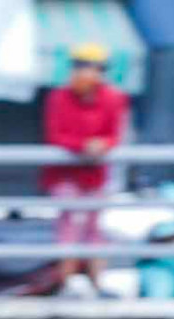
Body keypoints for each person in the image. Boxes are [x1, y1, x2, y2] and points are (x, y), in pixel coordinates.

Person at [41, 43, 128, 300]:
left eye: (91, 68)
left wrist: (101, 145)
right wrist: (83, 146)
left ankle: (97, 283)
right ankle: (66, 283)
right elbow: (56, 135)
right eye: (79, 67)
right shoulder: (59, 97)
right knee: (69, 225)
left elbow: (114, 135)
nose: (85, 73)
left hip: (95, 175)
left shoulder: (114, 98)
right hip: (66, 174)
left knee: (95, 228)